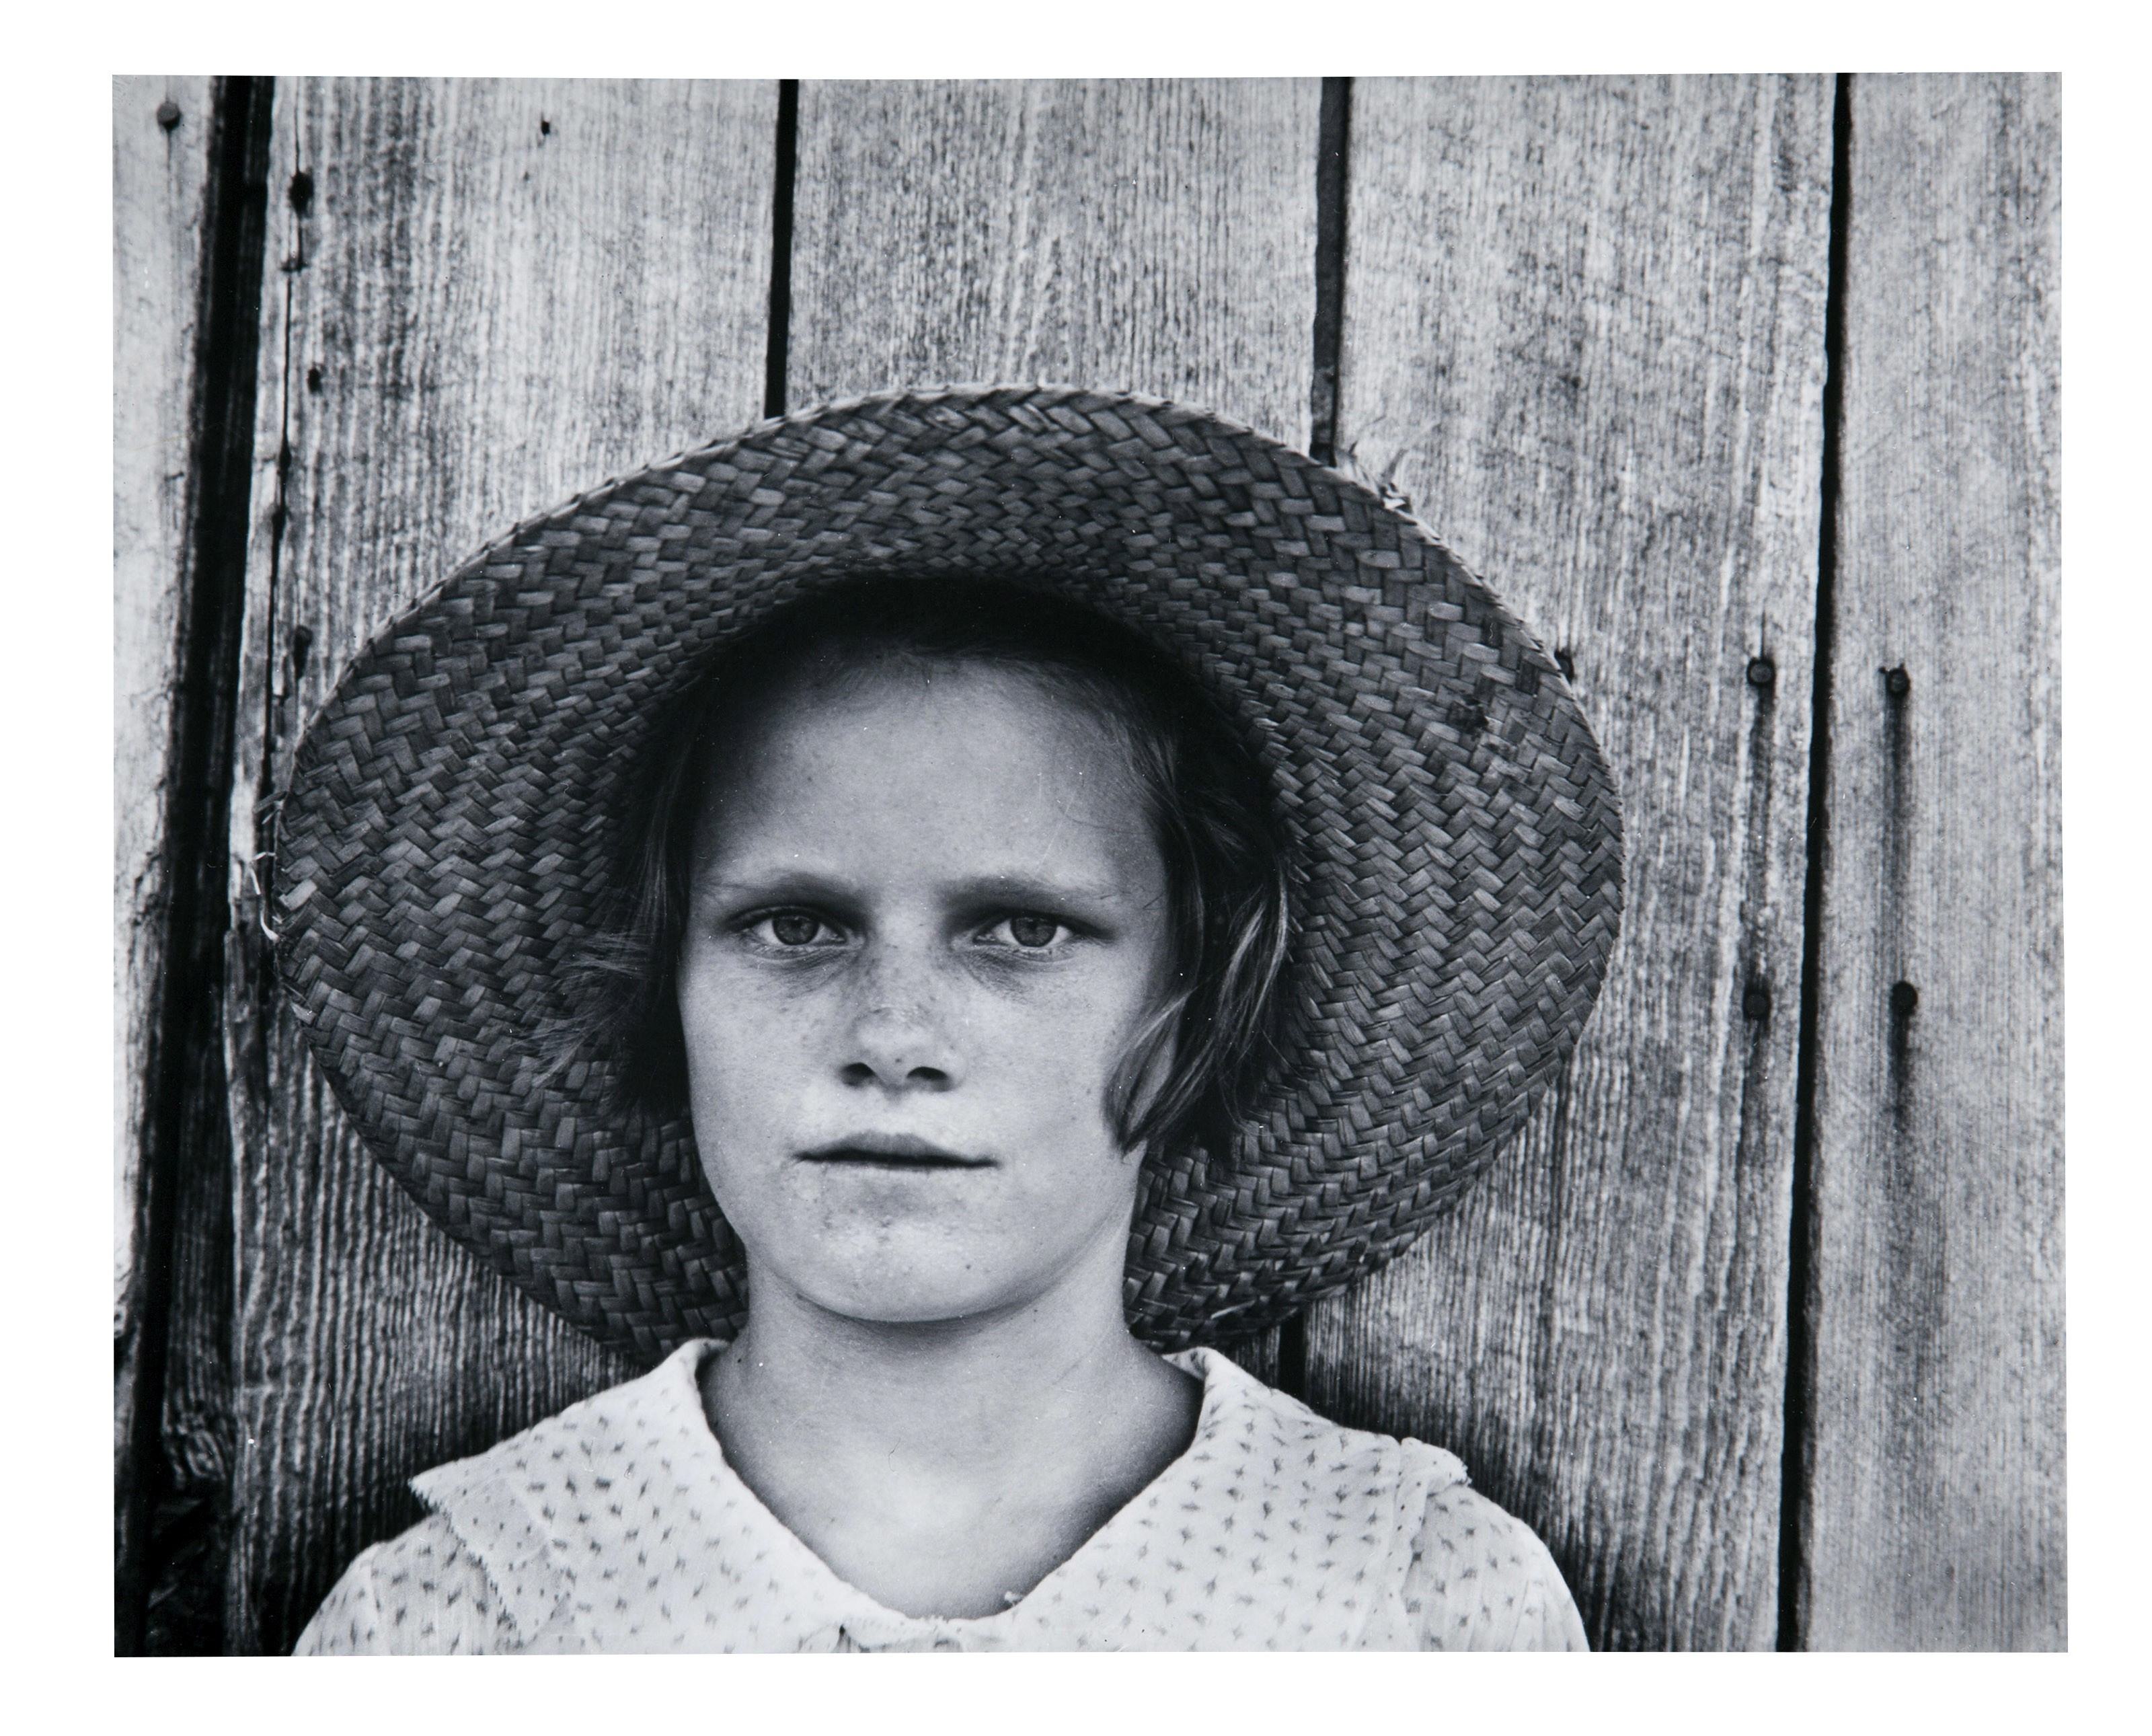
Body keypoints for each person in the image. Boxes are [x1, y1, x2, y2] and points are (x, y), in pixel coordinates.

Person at [277, 387, 1622, 1653]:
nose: (892, 1033)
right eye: (794, 925)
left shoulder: (1412, 1605)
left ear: (1195, 996)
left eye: (1022, 929)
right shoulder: (471, 1615)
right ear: (664, 984)